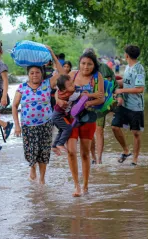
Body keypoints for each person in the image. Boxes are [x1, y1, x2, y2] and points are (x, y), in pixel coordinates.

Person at [12, 45, 65, 184]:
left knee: (44, 153)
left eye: (37, 72)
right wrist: (17, 126)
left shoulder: (47, 84)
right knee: (31, 152)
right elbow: (14, 106)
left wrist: (53, 54)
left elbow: (62, 73)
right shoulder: (22, 88)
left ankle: (42, 179)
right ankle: (32, 168)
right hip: (28, 126)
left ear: (41, 74)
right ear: (28, 75)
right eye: (32, 73)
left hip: (46, 124)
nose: (34, 75)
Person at [57, 52, 104, 197]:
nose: (86, 66)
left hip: (88, 118)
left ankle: (85, 186)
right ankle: (76, 186)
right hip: (70, 118)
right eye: (83, 63)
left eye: (89, 64)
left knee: (85, 153)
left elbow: (101, 99)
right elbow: (58, 90)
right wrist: (58, 101)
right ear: (79, 63)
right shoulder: (72, 74)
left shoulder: (97, 78)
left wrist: (87, 102)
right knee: (71, 152)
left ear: (94, 65)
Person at [112, 45, 145, 166]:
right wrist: (111, 83)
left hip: (136, 106)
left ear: (126, 55)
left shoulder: (139, 69)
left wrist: (121, 91)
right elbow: (125, 83)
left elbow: (140, 89)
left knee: (136, 133)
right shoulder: (127, 68)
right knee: (115, 126)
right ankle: (126, 151)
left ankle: (135, 160)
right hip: (124, 104)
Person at [83, 48, 116, 165]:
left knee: (99, 131)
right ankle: (93, 157)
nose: (86, 65)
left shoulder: (103, 68)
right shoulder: (81, 70)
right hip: (86, 106)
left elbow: (112, 83)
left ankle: (99, 158)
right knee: (89, 133)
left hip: (100, 105)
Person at [51, 74, 82, 155]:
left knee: (61, 130)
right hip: (58, 116)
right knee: (68, 128)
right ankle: (60, 144)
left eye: (73, 83)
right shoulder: (69, 95)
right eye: (71, 85)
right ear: (64, 90)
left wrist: (75, 87)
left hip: (56, 115)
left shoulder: (61, 90)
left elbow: (58, 88)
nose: (73, 85)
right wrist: (88, 93)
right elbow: (79, 95)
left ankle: (54, 146)